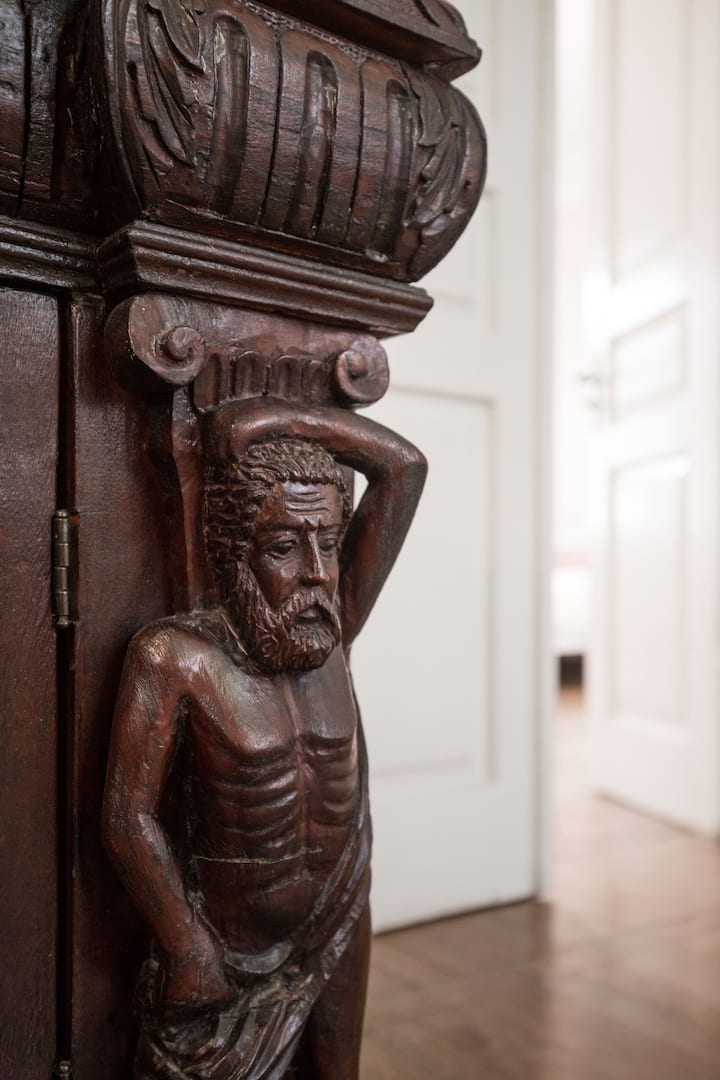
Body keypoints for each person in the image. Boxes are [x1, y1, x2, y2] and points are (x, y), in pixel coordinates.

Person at [102, 397, 427, 1079]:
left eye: (328, 544)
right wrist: (186, 943)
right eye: (283, 547)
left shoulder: (332, 630)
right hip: (224, 955)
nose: (316, 571)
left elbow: (404, 467)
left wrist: (275, 421)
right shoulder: (178, 660)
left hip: (334, 926)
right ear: (235, 557)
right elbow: (128, 814)